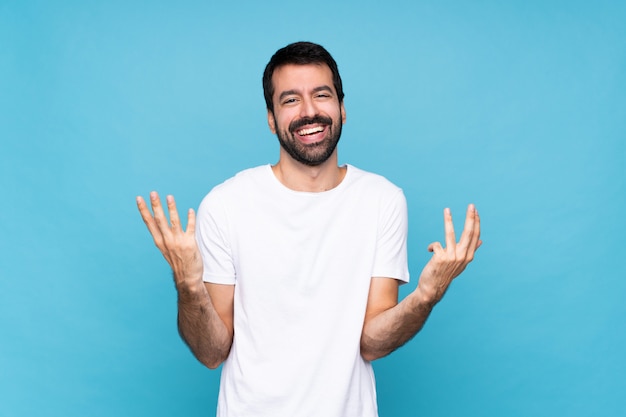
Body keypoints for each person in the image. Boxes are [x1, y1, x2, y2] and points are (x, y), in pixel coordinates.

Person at [136, 41, 481, 417]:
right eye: (290, 100)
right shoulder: (225, 204)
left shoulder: (382, 200)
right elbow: (211, 352)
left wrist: (426, 296)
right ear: (271, 119)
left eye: (322, 94)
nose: (310, 111)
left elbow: (371, 342)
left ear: (343, 109)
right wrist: (188, 285)